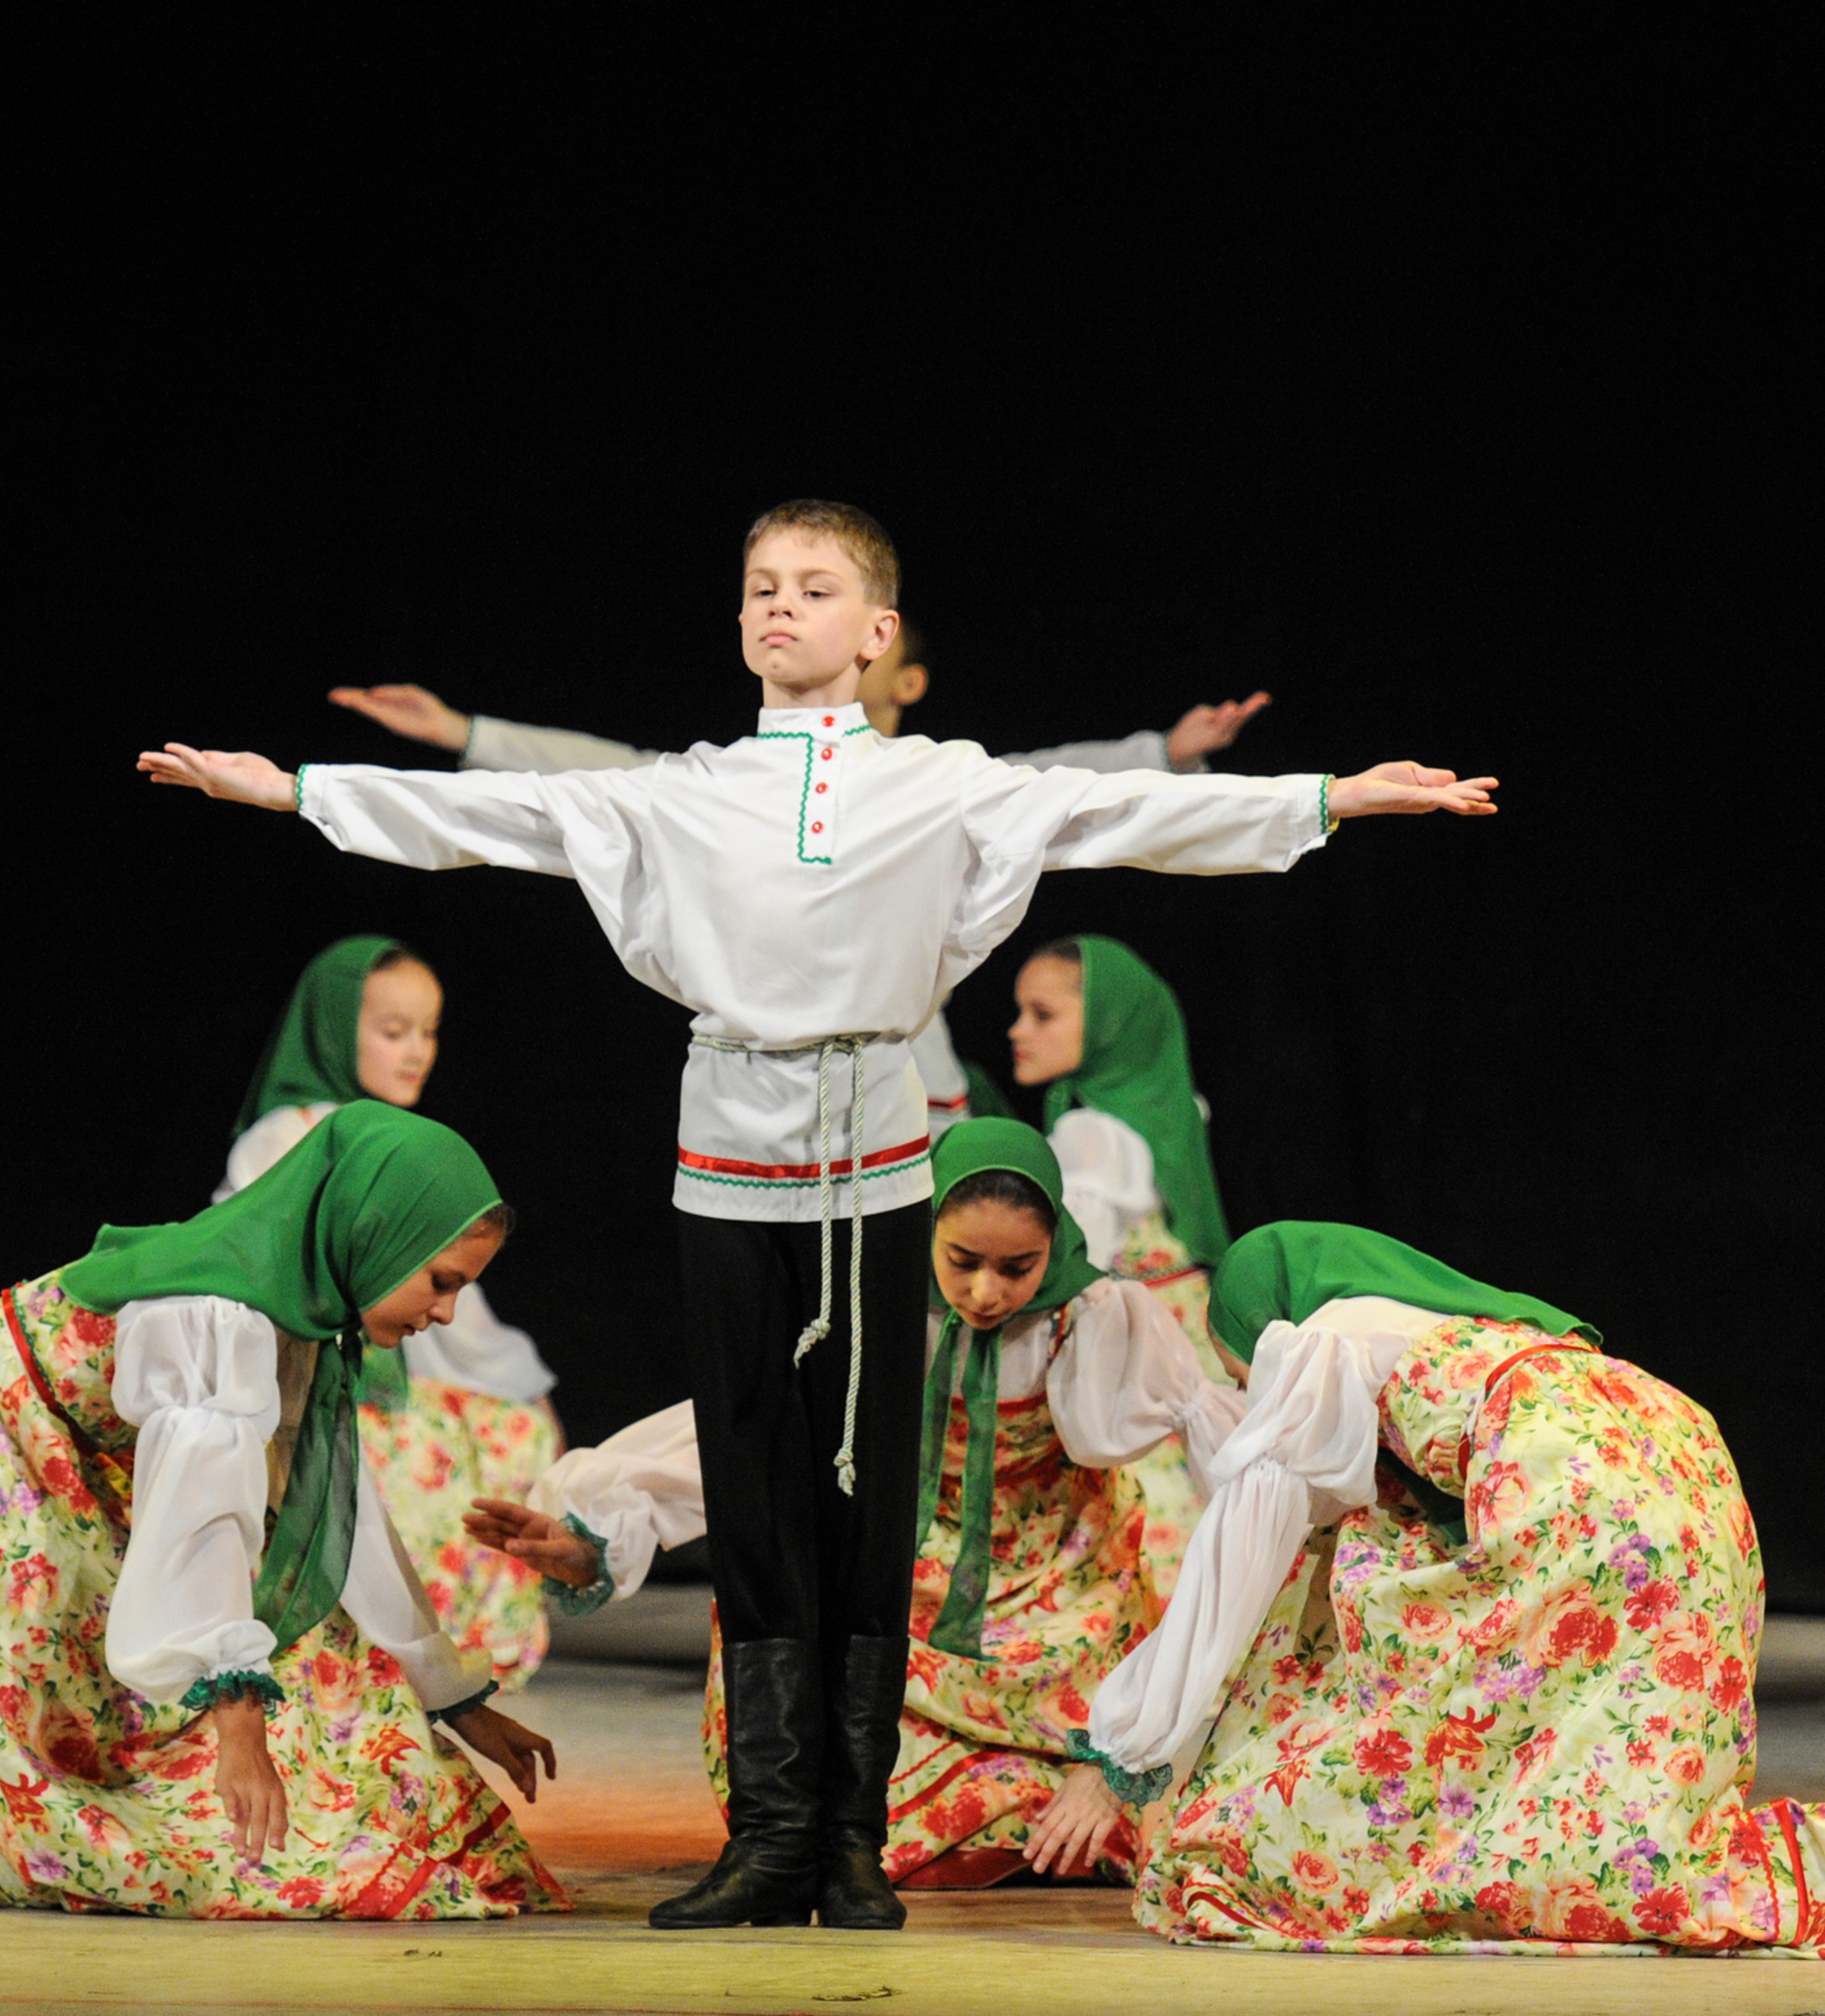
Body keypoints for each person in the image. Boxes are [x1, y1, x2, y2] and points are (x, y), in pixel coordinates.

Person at [137, 495, 1497, 1933]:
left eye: (815, 586)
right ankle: (771, 1833)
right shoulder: (689, 788)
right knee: (754, 1484)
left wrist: (1332, 799)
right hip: (728, 1152)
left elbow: (1129, 814)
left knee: (865, 1504)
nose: (781, 606)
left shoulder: (942, 783)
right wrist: (294, 790)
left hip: (880, 1154)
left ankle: (850, 1837)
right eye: (760, 587)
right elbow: (499, 818)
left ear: (878, 632)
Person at [0, 1106, 566, 1921]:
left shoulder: (300, 1309)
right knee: (44, 1821)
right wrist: (234, 1712)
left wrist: (454, 1697)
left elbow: (342, 1512)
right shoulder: (220, 1310)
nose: (445, 1312)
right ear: (377, 1234)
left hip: (70, 1473)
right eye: (439, 1281)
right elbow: (207, 1517)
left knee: (335, 1703)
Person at [472, 1119, 1243, 1889]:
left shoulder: (1098, 1317)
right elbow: (757, 1439)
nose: (986, 1291)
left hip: (1061, 1588)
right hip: (907, 1577)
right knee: (830, 1716)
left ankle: (1062, 1795)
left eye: (1019, 1267)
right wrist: (602, 1534)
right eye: (962, 1261)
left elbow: (1220, 1444)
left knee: (1109, 1814)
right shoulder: (876, 1308)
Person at [1028, 1221, 1825, 1954]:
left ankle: (1371, 1843)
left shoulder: (1320, 1344)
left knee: (1342, 1615)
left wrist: (1120, 1753)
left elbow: (1238, 1562)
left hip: (1574, 1494)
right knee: (1617, 1779)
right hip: (1682, 1462)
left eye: (1247, 1374)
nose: (1256, 1396)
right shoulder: (1456, 1327)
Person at [328, 627, 1269, 1138]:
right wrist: (465, 733)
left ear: (901, 674)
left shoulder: (942, 786)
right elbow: (601, 775)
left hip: (901, 1067)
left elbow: (1067, 786)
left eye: (863, 642)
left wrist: (1162, 754)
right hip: (768, 1077)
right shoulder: (738, 784)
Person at [220, 935, 559, 1687]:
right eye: (392, 1031)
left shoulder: (401, 1148)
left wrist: (519, 1386)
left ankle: (459, 1651)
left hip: (388, 1387)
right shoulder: (289, 1138)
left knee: (514, 1434)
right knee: (405, 1470)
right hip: (303, 1387)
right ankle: (376, 1654)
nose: (416, 1053)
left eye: (428, 1033)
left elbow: (450, 1303)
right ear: (337, 1031)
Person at [1008, 935, 1235, 1600]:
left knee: (1137, 1488)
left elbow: (1076, 1262)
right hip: (1192, 1337)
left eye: (1042, 1015)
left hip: (1133, 1350)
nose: (1018, 1031)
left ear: (1108, 1024)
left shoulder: (1090, 1136)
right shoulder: (1172, 1107)